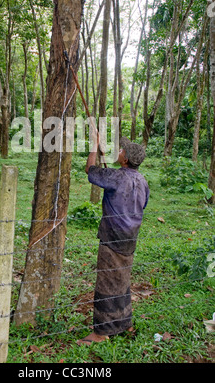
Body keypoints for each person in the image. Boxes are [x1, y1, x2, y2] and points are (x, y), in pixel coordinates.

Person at [77, 134, 150, 345]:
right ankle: (123, 322)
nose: (118, 152)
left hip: (112, 238)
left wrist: (93, 148)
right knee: (122, 281)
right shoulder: (142, 180)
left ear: (125, 159)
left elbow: (90, 171)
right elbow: (141, 206)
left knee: (107, 284)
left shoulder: (116, 177)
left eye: (121, 151)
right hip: (130, 239)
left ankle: (101, 332)